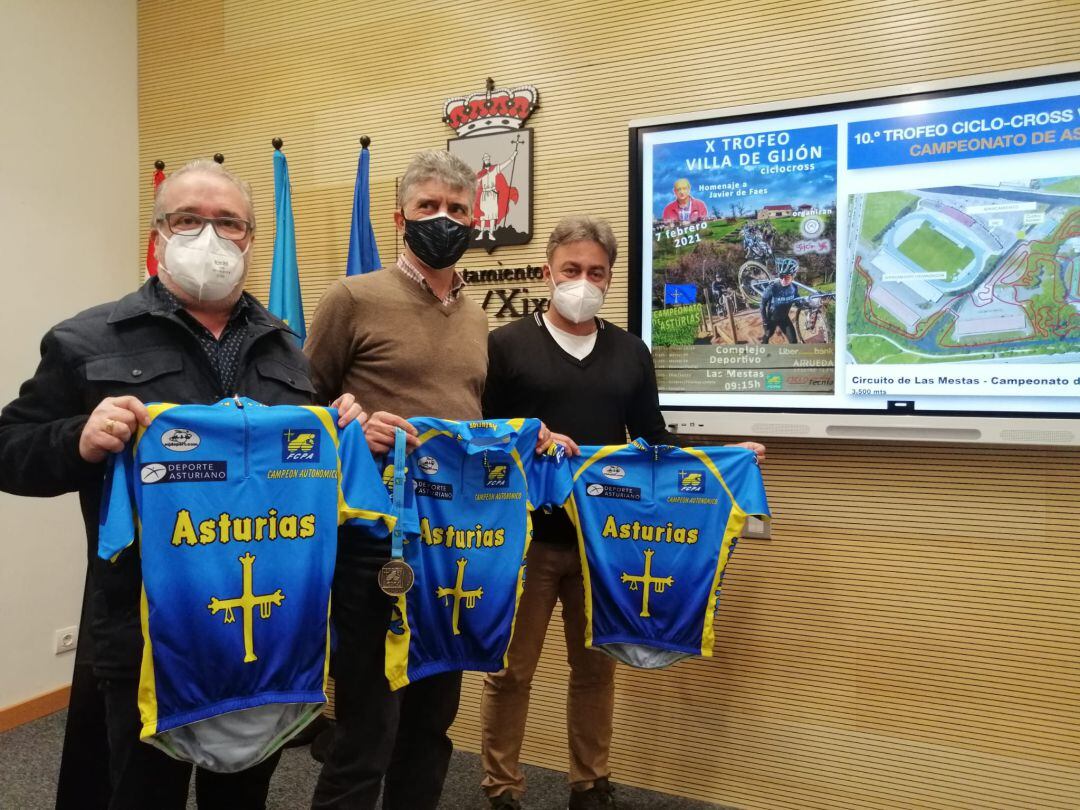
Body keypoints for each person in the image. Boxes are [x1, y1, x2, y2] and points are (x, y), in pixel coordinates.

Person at [0, 158, 363, 810]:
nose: (209, 238)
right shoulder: (87, 339)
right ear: (158, 234)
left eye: (228, 223)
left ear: (251, 239)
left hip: (261, 632)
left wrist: (347, 429)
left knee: (243, 796)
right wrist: (77, 439)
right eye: (189, 220)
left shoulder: (288, 351)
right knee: (141, 795)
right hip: (143, 633)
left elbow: (309, 473)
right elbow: (7, 451)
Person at [479, 216, 765, 810]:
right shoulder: (504, 346)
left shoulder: (631, 353)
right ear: (546, 272)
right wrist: (525, 438)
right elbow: (484, 436)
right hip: (525, 540)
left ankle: (590, 782)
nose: (582, 282)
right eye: (570, 270)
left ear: (610, 279)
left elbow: (652, 442)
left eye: (595, 273)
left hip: (604, 545)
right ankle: (502, 786)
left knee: (596, 668)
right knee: (511, 671)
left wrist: (722, 459)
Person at [305, 148, 526, 810]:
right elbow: (300, 410)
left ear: (476, 220)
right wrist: (350, 428)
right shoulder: (353, 298)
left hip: (454, 544)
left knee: (432, 726)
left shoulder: (476, 318)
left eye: (457, 209)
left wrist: (527, 441)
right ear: (400, 215)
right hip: (376, 541)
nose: (443, 218)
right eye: (428, 206)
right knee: (368, 729)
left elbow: (474, 421)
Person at [475, 148, 519, 241]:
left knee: (492, 215)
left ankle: (491, 233)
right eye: (485, 159)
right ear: (483, 161)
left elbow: (504, 165)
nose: (487, 160)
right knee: (483, 215)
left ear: (489, 160)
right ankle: (481, 233)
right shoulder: (480, 174)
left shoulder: (494, 170)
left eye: (488, 159)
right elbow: (474, 182)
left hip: (492, 194)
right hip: (484, 195)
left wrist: (512, 157)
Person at [760, 258, 805, 344]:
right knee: (768, 334)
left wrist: (807, 304)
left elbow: (798, 302)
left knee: (793, 341)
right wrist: (765, 321)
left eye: (787, 277)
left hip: (784, 318)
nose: (783, 280)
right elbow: (762, 304)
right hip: (771, 319)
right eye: (781, 276)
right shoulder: (772, 288)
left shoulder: (794, 288)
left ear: (792, 277)